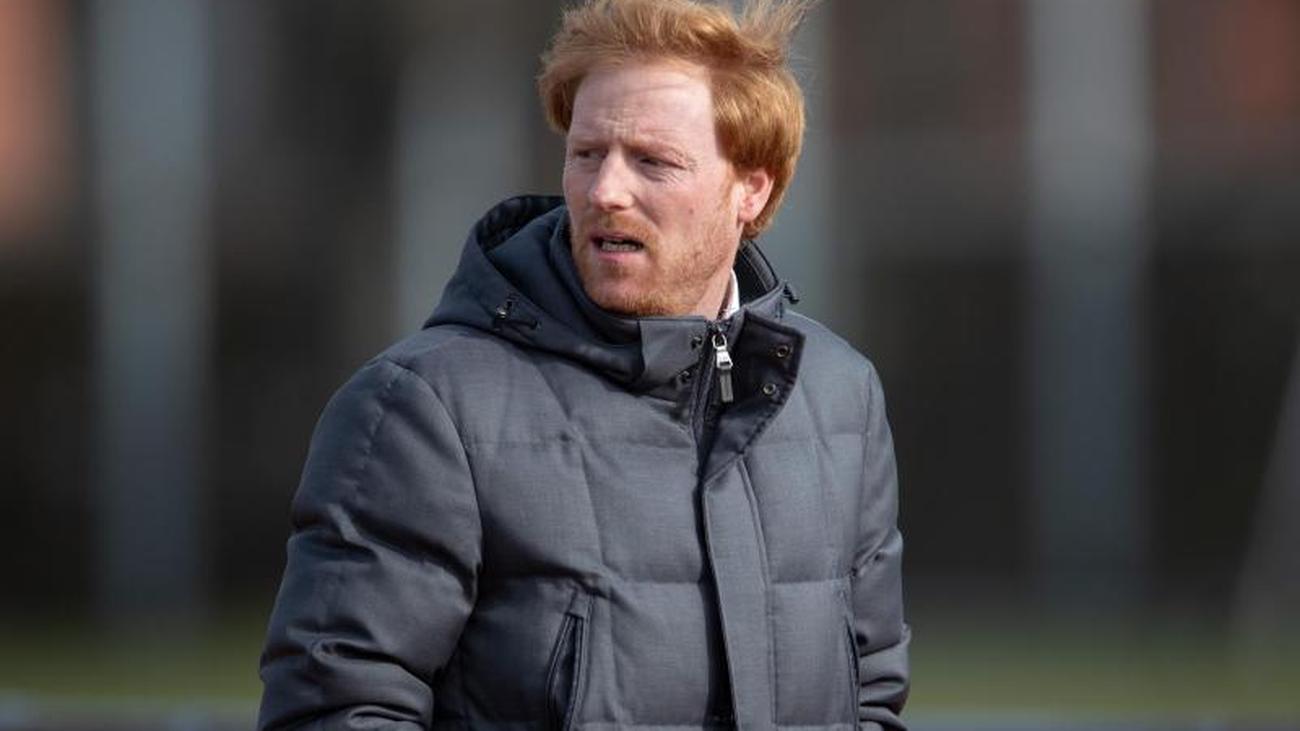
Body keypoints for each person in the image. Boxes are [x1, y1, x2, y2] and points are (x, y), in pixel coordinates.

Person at [257, 1, 909, 729]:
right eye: (587, 153)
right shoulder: (422, 409)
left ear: (750, 188)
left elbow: (871, 699)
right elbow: (337, 708)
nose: (605, 192)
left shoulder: (840, 398)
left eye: (653, 162)